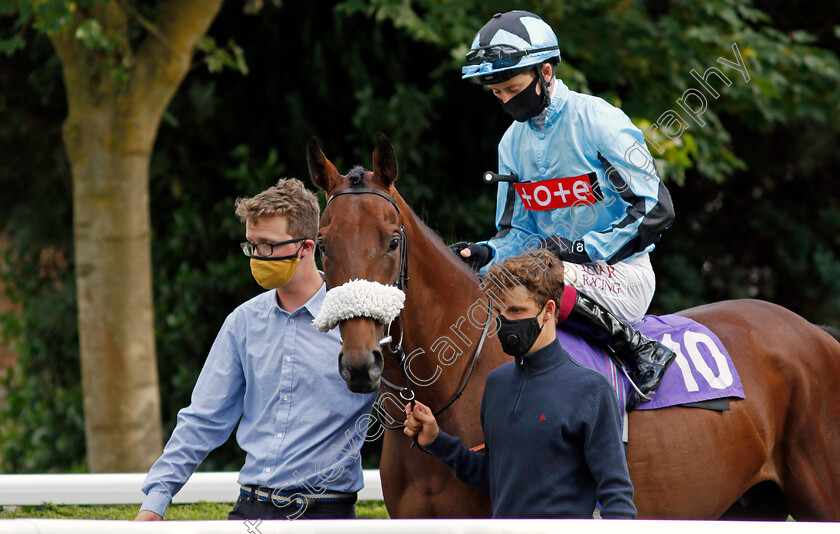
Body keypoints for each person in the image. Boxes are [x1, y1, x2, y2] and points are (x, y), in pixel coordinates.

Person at [449, 10, 676, 407]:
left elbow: (655, 208)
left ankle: (639, 349)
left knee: (543, 272)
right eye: (496, 92)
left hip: (621, 274)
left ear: (546, 72)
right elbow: (519, 234)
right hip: (549, 271)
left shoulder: (600, 120)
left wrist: (585, 249)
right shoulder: (510, 145)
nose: (504, 99)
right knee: (492, 278)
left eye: (511, 87)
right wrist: (485, 252)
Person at [136, 178, 377, 521]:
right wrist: (155, 502)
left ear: (307, 247)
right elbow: (202, 420)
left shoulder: (358, 325)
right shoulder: (243, 322)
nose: (256, 256)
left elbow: (408, 404)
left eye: (267, 245)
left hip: (327, 514)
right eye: (251, 244)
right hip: (249, 508)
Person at [405, 250, 636, 518]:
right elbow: (495, 478)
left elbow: (618, 500)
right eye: (499, 311)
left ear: (548, 310)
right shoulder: (496, 383)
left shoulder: (591, 390)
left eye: (516, 310)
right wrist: (436, 440)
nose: (504, 322)